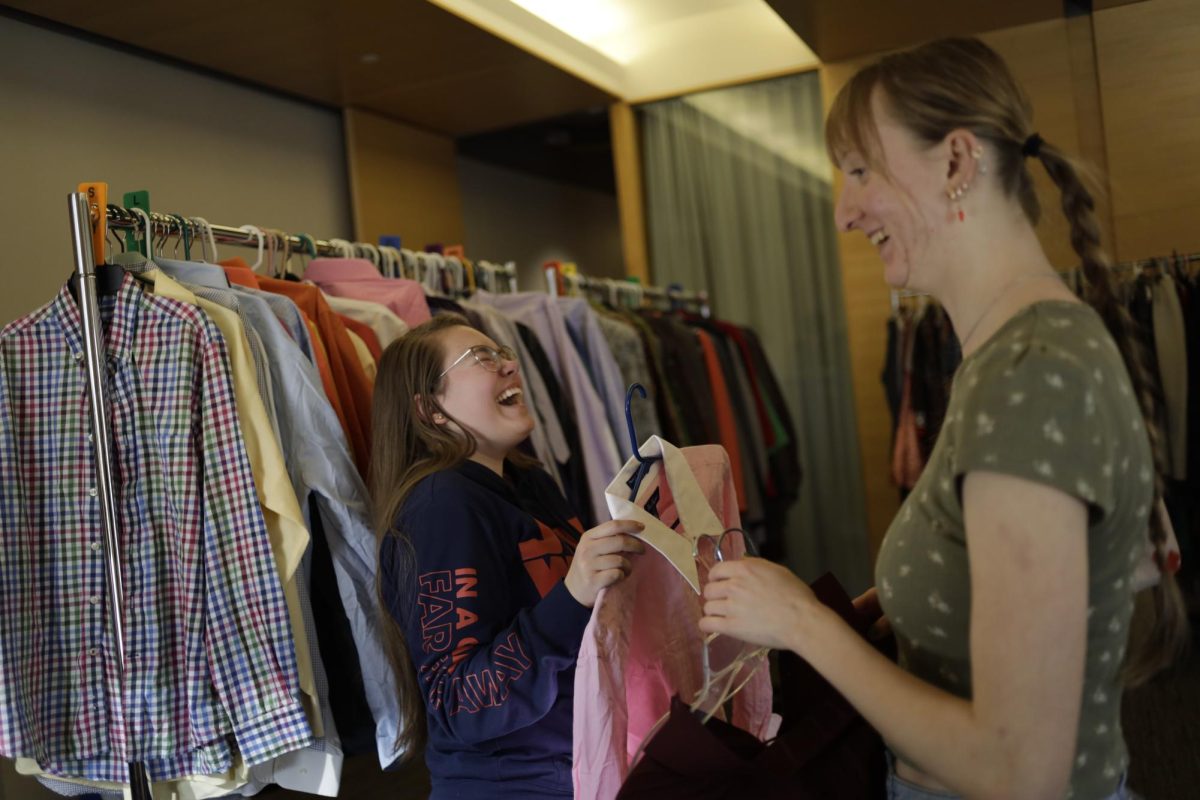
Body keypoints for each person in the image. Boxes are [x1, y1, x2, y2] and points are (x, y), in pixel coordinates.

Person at [699, 37, 1188, 800]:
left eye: (861, 170)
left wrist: (803, 625)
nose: (844, 212)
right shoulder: (1014, 353)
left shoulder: (1031, 372)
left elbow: (1020, 771)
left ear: (957, 162)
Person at [370, 314, 645, 799]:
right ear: (430, 407)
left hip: (583, 768)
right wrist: (572, 596)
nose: (509, 365)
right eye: (482, 358)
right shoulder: (442, 506)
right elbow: (460, 703)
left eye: (504, 354)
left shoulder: (527, 482)